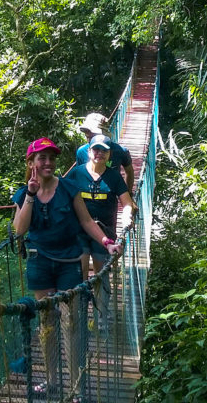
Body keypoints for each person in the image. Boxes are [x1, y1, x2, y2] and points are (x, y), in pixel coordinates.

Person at [12, 137, 122, 400]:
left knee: (71, 324)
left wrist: (106, 242)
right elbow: (19, 230)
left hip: (69, 263)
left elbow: (86, 221)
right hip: (40, 262)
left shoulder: (70, 188)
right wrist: (30, 194)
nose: (48, 162)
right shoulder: (22, 193)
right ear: (31, 163)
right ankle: (52, 381)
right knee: (46, 323)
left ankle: (76, 386)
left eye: (51, 158)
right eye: (42, 158)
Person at [65, 134, 137, 333]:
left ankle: (103, 315)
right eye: (95, 149)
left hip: (105, 234)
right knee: (77, 273)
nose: (99, 153)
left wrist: (128, 216)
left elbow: (127, 203)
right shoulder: (76, 174)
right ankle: (76, 314)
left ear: (109, 154)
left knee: (101, 273)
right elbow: (60, 196)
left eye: (103, 150)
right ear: (88, 152)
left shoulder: (113, 177)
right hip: (78, 231)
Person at [71, 113, 135, 194]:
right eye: (87, 132)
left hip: (111, 194)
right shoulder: (81, 152)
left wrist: (128, 193)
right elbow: (79, 177)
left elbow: (129, 171)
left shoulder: (120, 151)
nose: (88, 135)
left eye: (92, 132)